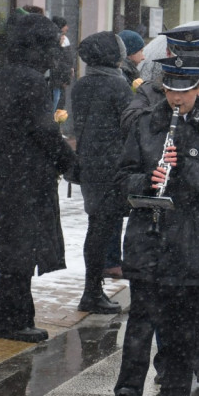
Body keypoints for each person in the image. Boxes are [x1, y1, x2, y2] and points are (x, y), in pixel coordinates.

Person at [112, 55, 199, 396]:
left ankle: (175, 387)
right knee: (141, 320)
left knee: (181, 320)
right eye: (170, 91)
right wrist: (148, 178)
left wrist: (188, 166)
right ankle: (128, 391)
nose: (176, 100)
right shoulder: (146, 125)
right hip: (148, 238)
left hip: (192, 241)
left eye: (184, 91)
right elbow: (123, 179)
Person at [0, 13, 76, 342]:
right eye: (50, 47)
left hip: (9, 171)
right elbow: (43, 131)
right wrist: (69, 162)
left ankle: (15, 316)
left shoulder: (9, 73)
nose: (53, 53)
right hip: (25, 173)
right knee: (21, 246)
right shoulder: (31, 80)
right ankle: (11, 321)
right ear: (36, 47)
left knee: (14, 244)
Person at [71, 31, 132, 315]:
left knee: (96, 227)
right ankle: (91, 293)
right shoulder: (118, 87)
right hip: (112, 167)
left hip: (89, 166)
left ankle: (91, 289)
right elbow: (129, 125)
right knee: (101, 229)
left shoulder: (82, 85)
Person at [48, 16, 74, 113]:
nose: (67, 28)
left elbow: (66, 62)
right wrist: (65, 77)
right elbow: (60, 62)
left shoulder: (64, 40)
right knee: (56, 105)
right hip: (57, 81)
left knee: (59, 106)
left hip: (59, 80)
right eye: (64, 25)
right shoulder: (56, 41)